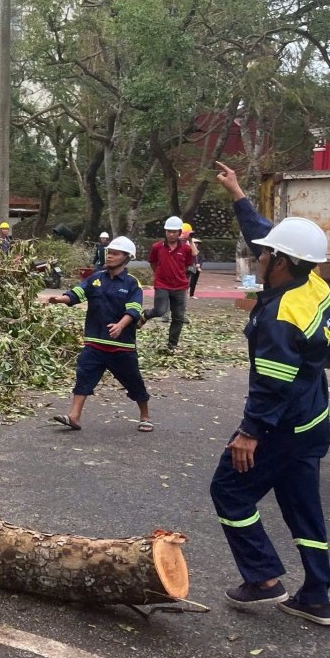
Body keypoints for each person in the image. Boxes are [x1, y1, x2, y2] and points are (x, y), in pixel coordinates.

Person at [209, 161, 330, 626]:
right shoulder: (312, 284)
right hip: (314, 419)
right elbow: (268, 233)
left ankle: (262, 580)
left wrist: (249, 433)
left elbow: (271, 385)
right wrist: (239, 193)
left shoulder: (280, 316)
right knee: (303, 506)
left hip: (282, 425)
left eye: (265, 255)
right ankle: (319, 595)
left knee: (229, 491)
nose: (259, 256)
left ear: (281, 263)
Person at [47, 236, 154, 432]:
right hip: (95, 342)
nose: (110, 256)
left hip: (121, 346)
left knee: (133, 381)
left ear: (126, 257)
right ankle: (74, 417)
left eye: (115, 253)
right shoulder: (96, 278)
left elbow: (134, 309)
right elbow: (78, 293)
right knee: (84, 377)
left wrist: (121, 326)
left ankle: (145, 415)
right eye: (109, 252)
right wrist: (60, 299)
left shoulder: (132, 283)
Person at [141, 215, 195, 350]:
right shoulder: (157, 247)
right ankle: (146, 315)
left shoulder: (186, 249)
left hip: (180, 286)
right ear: (165, 232)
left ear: (179, 233)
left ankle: (172, 344)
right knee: (160, 310)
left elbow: (187, 264)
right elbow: (153, 263)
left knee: (178, 317)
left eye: (174, 232)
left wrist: (177, 275)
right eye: (168, 231)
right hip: (162, 284)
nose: (171, 234)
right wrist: (160, 274)